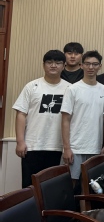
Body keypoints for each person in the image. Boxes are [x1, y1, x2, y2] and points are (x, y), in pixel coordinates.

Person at [13, 50, 70, 188]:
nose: (53, 65)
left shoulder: (70, 88)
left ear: (64, 66)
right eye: (49, 62)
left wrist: (68, 147)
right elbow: (21, 114)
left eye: (58, 62)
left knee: (53, 188)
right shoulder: (32, 86)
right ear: (43, 65)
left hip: (58, 146)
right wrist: (20, 141)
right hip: (32, 145)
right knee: (30, 187)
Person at [61, 50, 104, 184]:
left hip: (96, 148)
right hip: (75, 147)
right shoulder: (72, 89)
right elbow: (65, 120)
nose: (91, 67)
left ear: (100, 66)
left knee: (91, 186)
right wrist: (67, 148)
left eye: (95, 64)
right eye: (87, 64)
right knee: (70, 185)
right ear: (81, 65)